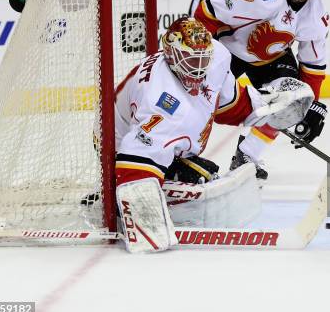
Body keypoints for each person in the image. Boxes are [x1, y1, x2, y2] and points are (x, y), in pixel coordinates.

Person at [114, 17, 314, 252]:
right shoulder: (163, 102)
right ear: (171, 55)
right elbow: (136, 158)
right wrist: (143, 219)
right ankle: (115, 195)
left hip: (154, 136)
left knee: (203, 171)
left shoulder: (216, 55)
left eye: (202, 59)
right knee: (199, 178)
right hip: (118, 146)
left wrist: (265, 108)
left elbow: (225, 102)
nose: (199, 69)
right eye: (191, 60)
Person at [194, 0, 329, 180]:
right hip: (229, 50)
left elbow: (313, 67)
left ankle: (247, 154)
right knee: (200, 100)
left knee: (295, 98)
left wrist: (309, 107)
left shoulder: (317, 16)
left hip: (273, 58)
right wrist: (205, 57)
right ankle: (186, 152)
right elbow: (207, 13)